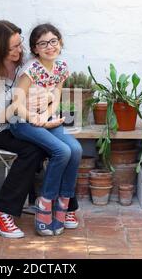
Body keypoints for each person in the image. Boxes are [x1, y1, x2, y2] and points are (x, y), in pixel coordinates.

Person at [0, 20, 80, 239]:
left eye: (19, 44)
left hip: (24, 121)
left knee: (64, 147)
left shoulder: (24, 65)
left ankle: (64, 206)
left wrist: (45, 103)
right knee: (34, 149)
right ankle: (0, 211)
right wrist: (21, 107)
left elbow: (44, 89)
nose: (18, 50)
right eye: (12, 48)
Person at [9, 23, 83, 236]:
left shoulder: (60, 67)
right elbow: (16, 104)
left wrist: (46, 115)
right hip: (22, 121)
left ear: (60, 43)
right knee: (62, 151)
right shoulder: (30, 70)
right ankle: (45, 203)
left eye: (53, 41)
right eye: (43, 43)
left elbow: (57, 94)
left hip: (45, 118)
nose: (49, 47)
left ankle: (64, 203)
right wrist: (35, 118)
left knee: (75, 150)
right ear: (35, 48)